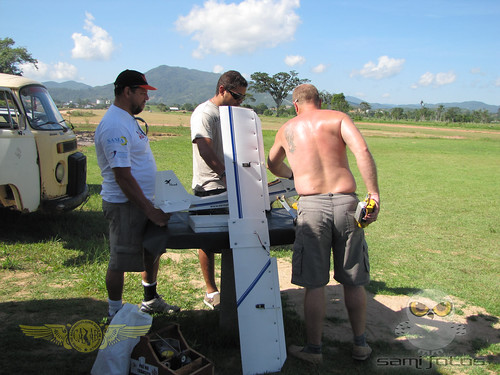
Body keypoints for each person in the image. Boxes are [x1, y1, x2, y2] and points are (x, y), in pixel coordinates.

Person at [267, 84, 380, 363]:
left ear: (296, 105)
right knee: (353, 280)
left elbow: (271, 163)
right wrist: (373, 194)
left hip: (312, 207)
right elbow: (361, 150)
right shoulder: (338, 118)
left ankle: (314, 350)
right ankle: (360, 344)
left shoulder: (287, 129)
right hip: (347, 204)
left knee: (315, 284)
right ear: (320, 101)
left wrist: (295, 174)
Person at [95, 69, 180, 318]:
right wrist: (149, 210)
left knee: (151, 251)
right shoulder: (114, 125)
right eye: (142, 93)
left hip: (144, 202)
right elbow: (122, 176)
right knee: (119, 260)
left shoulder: (127, 120)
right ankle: (114, 312)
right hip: (125, 204)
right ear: (126, 91)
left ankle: (150, 299)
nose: (147, 98)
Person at [190, 70, 248, 309]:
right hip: (210, 188)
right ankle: (211, 290)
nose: (240, 102)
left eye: (243, 98)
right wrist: (226, 176)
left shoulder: (230, 113)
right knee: (207, 242)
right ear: (222, 90)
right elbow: (205, 150)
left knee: (233, 237)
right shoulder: (205, 113)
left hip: (231, 185)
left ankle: (234, 288)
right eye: (237, 96)